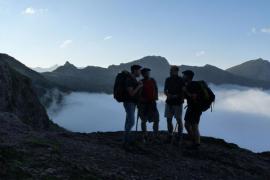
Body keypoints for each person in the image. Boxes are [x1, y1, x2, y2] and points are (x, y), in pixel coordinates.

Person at [164, 66, 185, 145]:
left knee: (178, 120)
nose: (170, 72)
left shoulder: (181, 80)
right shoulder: (168, 79)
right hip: (169, 102)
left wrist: (177, 96)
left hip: (177, 103)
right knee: (169, 120)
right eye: (170, 70)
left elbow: (183, 91)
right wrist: (168, 95)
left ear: (176, 71)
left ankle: (179, 138)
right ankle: (170, 135)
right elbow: (165, 90)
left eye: (171, 71)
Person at [123, 64, 143, 146]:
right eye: (139, 70)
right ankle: (126, 141)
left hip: (132, 103)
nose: (140, 72)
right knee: (131, 122)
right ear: (135, 70)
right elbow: (131, 93)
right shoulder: (129, 79)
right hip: (129, 102)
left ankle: (126, 139)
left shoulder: (133, 79)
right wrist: (139, 86)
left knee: (128, 121)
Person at [182, 70, 203, 150]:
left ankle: (196, 144)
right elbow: (186, 97)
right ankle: (194, 141)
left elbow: (193, 97)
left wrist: (185, 91)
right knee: (187, 125)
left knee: (194, 126)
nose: (182, 76)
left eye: (184, 75)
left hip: (195, 108)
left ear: (188, 76)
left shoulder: (193, 85)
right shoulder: (188, 85)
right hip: (191, 108)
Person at [138, 68, 159, 140]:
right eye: (146, 72)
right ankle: (145, 134)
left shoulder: (153, 80)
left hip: (152, 103)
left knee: (156, 119)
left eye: (148, 72)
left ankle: (155, 134)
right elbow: (139, 93)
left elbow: (156, 89)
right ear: (143, 74)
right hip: (144, 104)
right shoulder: (141, 82)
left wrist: (155, 98)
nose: (147, 73)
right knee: (144, 120)